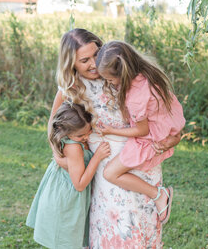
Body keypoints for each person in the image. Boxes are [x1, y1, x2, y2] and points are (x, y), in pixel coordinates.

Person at [49, 28, 182, 248]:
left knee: (141, 227)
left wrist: (175, 137)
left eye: (96, 54)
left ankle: (158, 198)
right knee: (116, 229)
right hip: (105, 167)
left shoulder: (122, 73)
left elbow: (163, 110)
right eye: (84, 60)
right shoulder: (72, 88)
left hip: (142, 160)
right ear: (71, 64)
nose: (93, 64)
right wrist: (59, 156)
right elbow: (54, 126)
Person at [95, 40, 186, 225]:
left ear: (123, 74)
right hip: (165, 125)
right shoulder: (146, 75)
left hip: (150, 137)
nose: (109, 83)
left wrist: (112, 130)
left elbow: (142, 130)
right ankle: (158, 194)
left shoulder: (135, 97)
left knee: (110, 173)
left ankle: (159, 195)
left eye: (111, 80)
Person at [26, 102, 111, 249]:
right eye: (80, 135)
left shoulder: (72, 139)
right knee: (64, 240)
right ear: (65, 132)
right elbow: (79, 185)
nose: (86, 137)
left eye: (89, 131)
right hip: (66, 199)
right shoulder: (73, 148)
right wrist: (97, 157)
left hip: (60, 190)